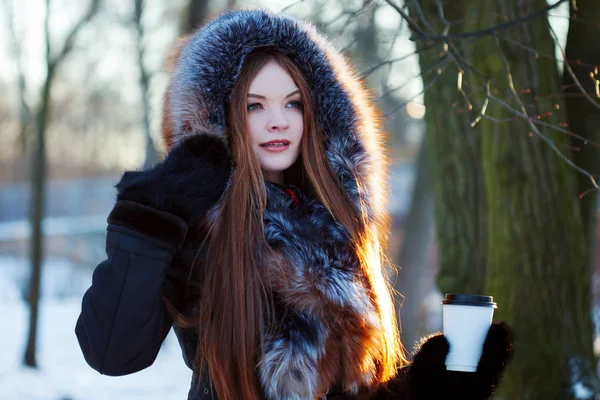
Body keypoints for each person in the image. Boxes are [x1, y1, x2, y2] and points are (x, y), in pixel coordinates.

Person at [75, 8, 513, 400]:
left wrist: (436, 385)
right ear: (223, 115)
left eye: (293, 103)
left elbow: (355, 387)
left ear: (316, 113)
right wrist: (151, 217)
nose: (278, 120)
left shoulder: (340, 225)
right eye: (254, 105)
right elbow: (113, 352)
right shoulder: (202, 223)